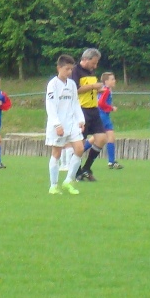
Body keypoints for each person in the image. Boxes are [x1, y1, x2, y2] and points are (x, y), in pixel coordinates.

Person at [46, 54, 86, 195]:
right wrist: (57, 125)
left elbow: (75, 103)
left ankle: (68, 181)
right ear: (59, 68)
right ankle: (53, 185)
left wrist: (81, 120)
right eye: (67, 69)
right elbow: (50, 106)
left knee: (80, 149)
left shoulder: (72, 84)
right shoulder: (53, 84)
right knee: (56, 153)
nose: (69, 72)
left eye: (71, 69)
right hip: (58, 125)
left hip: (71, 124)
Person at [72, 48, 107, 182]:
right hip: (81, 110)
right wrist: (93, 86)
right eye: (93, 63)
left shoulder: (91, 71)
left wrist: (99, 89)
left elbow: (91, 88)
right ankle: (77, 171)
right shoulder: (75, 71)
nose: (95, 66)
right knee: (79, 144)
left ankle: (86, 168)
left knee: (102, 138)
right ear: (85, 59)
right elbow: (76, 90)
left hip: (93, 109)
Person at [98, 71, 123, 169]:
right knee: (99, 139)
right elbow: (100, 103)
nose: (114, 80)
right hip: (103, 116)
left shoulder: (104, 89)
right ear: (106, 81)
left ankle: (111, 161)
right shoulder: (106, 90)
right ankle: (77, 154)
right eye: (112, 79)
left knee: (109, 137)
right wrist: (111, 108)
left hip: (103, 116)